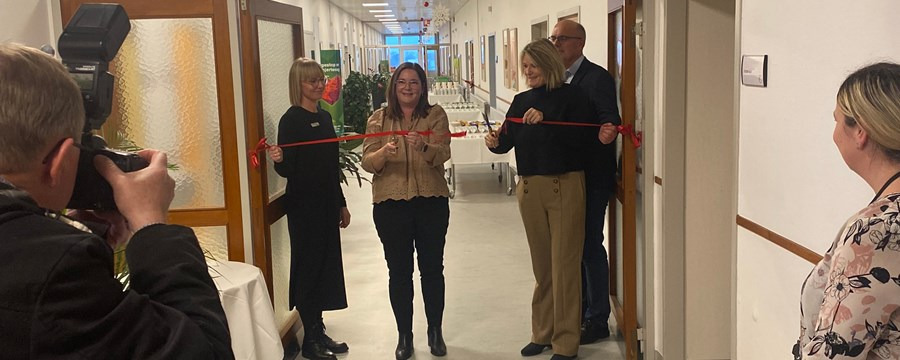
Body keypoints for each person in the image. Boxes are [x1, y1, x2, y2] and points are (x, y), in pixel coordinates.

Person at [0, 43, 233, 358]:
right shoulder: (58, 271)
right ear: (60, 160)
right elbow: (205, 350)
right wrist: (151, 225)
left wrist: (79, 236)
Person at [485, 39, 614, 360]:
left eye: (533, 66)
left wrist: (546, 122)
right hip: (529, 190)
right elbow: (507, 142)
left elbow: (585, 142)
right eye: (525, 66)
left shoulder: (575, 97)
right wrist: (494, 142)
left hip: (565, 185)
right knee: (543, 268)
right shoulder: (519, 101)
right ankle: (542, 332)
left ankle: (566, 341)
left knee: (565, 266)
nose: (528, 72)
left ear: (550, 65)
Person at [794, 62, 900, 359]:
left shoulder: (877, 231)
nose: (834, 133)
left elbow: (834, 352)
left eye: (837, 120)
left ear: (860, 132)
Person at [361, 62, 452, 360]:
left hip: (431, 201)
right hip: (391, 204)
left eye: (414, 82)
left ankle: (435, 331)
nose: (408, 87)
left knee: (432, 269)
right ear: (394, 86)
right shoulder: (378, 119)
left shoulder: (435, 115)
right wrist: (383, 154)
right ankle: (404, 335)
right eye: (402, 82)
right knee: (399, 272)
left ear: (422, 87)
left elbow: (443, 154)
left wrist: (424, 147)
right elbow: (367, 162)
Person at [267, 58, 351, 360]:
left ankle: (318, 329)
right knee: (308, 269)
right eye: (311, 81)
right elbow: (289, 170)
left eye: (320, 79)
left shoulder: (325, 118)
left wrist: (341, 203)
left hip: (328, 204)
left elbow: (331, 167)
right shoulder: (291, 120)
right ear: (298, 85)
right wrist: (278, 159)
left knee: (326, 266)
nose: (318, 85)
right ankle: (309, 341)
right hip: (304, 208)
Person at [551, 19, 620, 344]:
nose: (555, 44)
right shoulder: (557, 79)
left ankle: (597, 319)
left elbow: (610, 117)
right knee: (571, 246)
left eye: (560, 39)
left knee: (590, 244)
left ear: (579, 42)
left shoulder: (597, 78)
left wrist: (607, 131)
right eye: (553, 39)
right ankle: (576, 313)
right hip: (566, 175)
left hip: (592, 176)